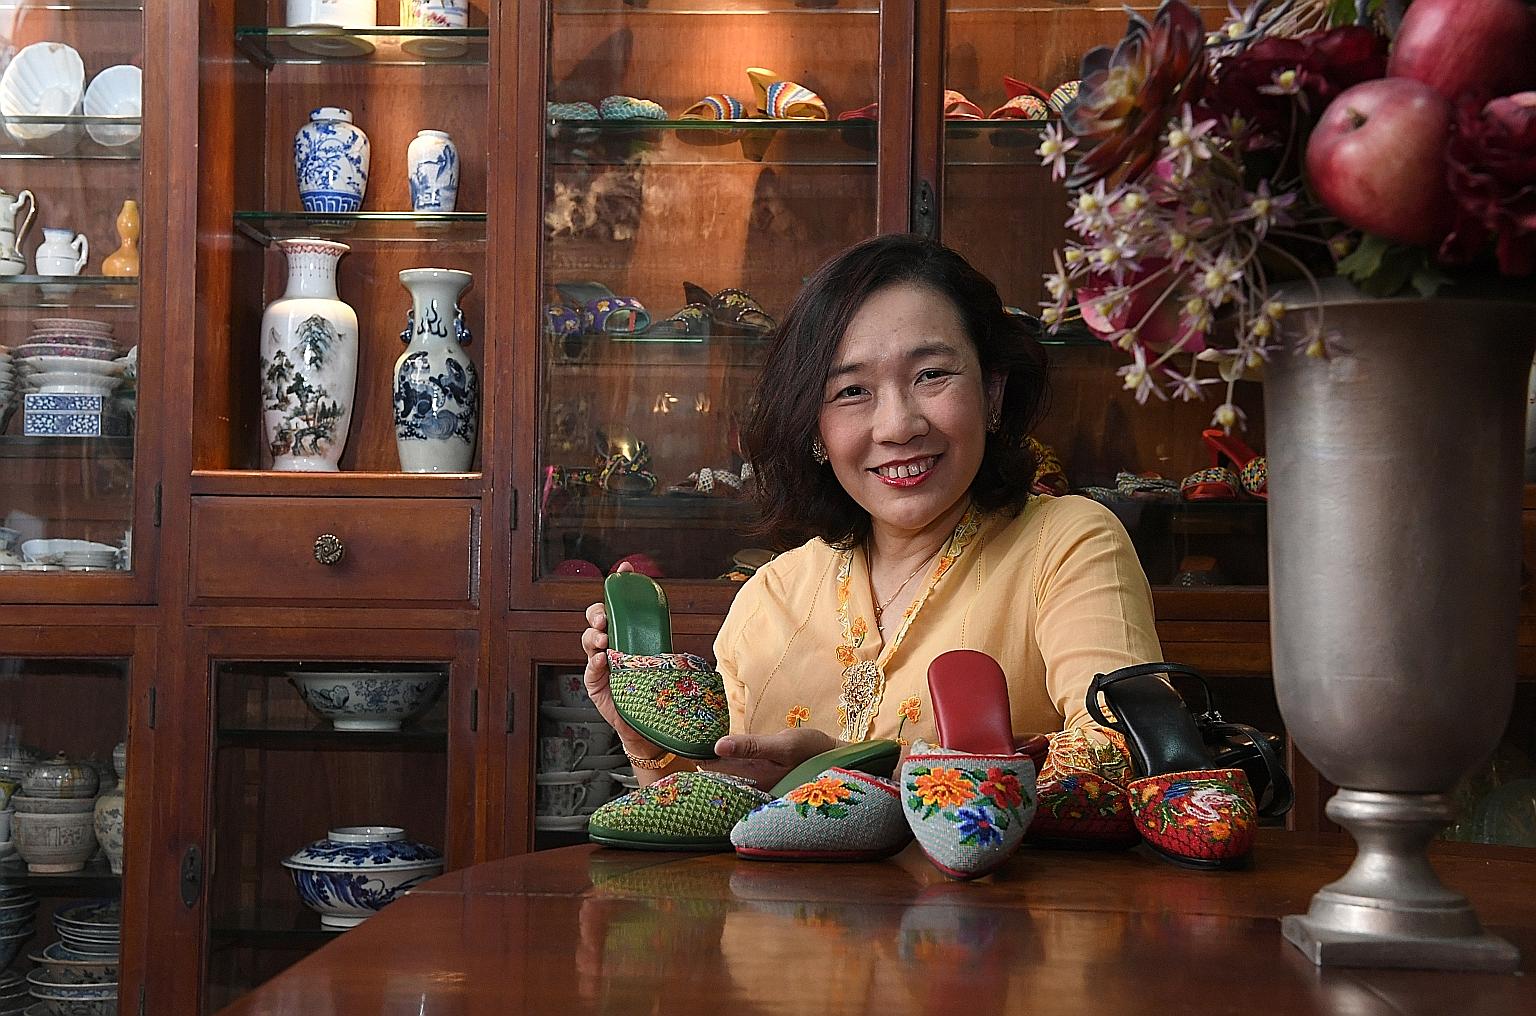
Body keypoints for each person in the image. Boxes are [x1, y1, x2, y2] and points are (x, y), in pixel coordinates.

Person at [581, 234, 1162, 791]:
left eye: (931, 375)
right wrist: (649, 742)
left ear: (992, 392)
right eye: (852, 391)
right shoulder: (768, 597)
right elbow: (722, 810)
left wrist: (853, 768)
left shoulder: (1067, 543)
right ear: (814, 428)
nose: (898, 426)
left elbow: (1129, 757)